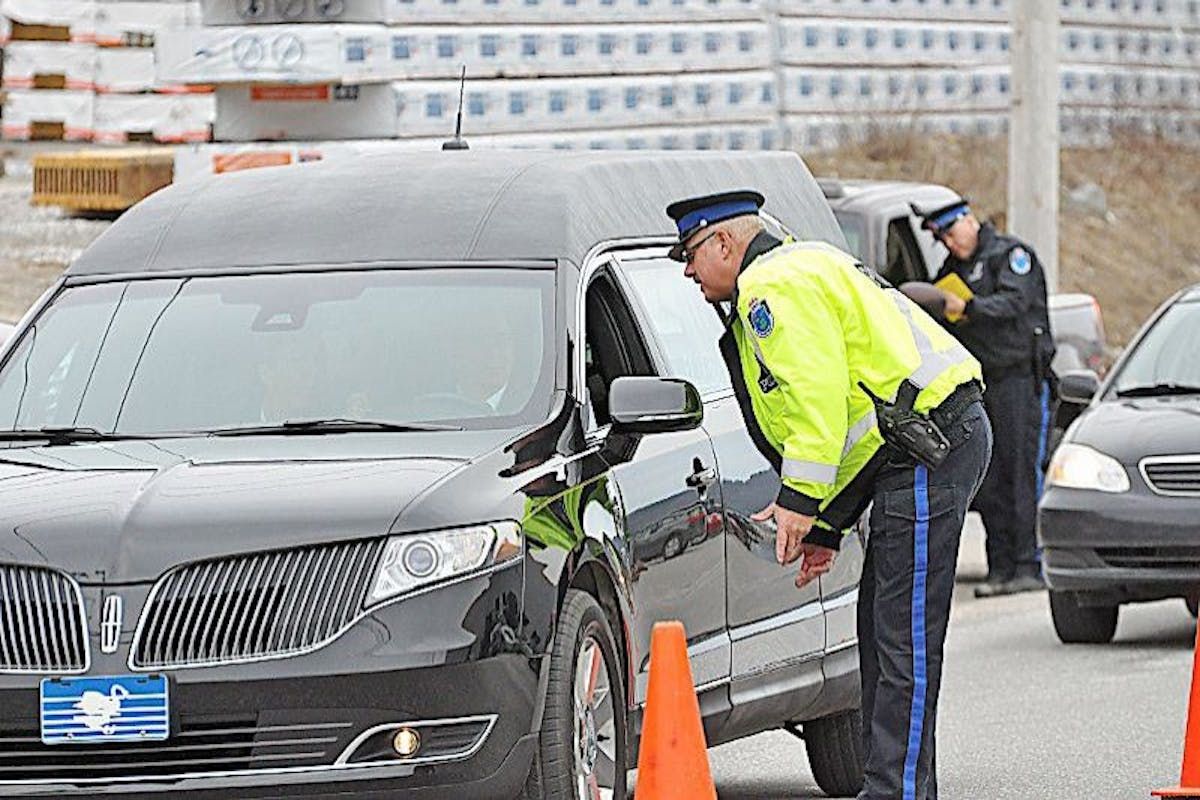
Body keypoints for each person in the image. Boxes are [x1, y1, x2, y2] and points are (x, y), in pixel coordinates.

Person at [666, 190, 992, 800]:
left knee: (903, 636)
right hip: (915, 445)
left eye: (690, 254)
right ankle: (897, 785)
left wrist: (797, 500)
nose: (688, 270)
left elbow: (818, 408)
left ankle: (894, 790)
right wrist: (826, 526)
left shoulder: (771, 288)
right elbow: (857, 420)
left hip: (928, 445)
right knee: (884, 630)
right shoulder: (800, 263)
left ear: (724, 243)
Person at [912, 196, 1056, 598]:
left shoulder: (1011, 256)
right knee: (988, 478)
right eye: (941, 239)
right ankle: (1001, 565)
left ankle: (1028, 562)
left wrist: (968, 306)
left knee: (1019, 472)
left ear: (969, 220)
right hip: (981, 384)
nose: (950, 244)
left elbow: (1014, 303)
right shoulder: (951, 271)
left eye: (951, 232)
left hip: (1018, 382)